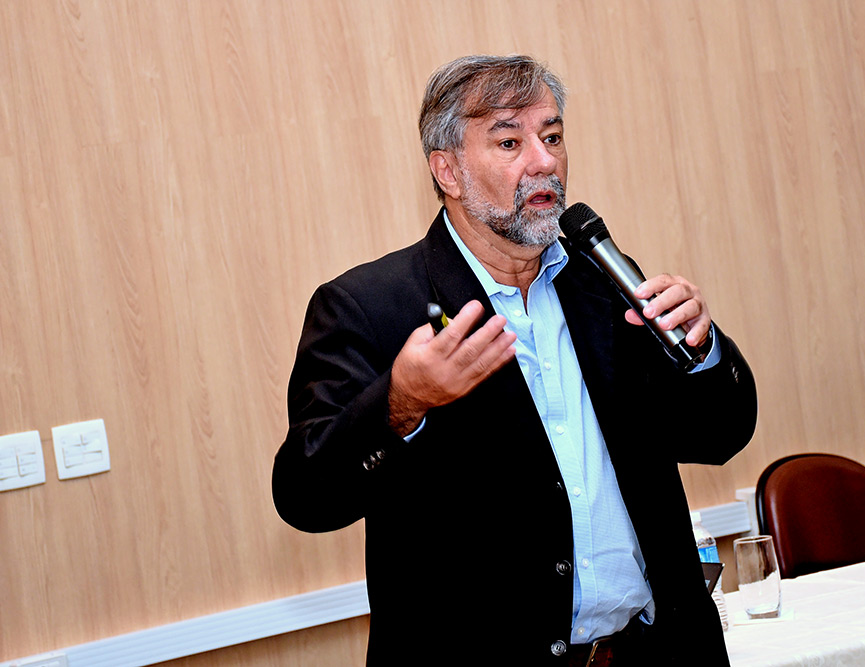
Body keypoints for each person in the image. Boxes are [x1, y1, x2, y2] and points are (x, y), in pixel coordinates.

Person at [272, 54, 757, 666]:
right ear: (447, 170)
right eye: (510, 141)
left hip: (654, 652)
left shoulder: (603, 284)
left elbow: (720, 434)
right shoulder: (370, 308)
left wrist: (702, 352)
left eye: (552, 136)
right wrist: (402, 402)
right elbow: (305, 497)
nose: (545, 160)